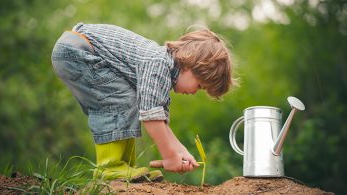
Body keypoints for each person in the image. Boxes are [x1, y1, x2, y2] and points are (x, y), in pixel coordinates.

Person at [51, 22, 236, 182]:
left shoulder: (163, 71)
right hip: (76, 52)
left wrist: (180, 152)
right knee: (119, 98)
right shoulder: (157, 64)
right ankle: (110, 168)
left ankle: (124, 166)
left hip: (79, 50)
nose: (195, 92)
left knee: (129, 98)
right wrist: (169, 156)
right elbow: (151, 118)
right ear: (190, 65)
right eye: (200, 85)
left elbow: (160, 121)